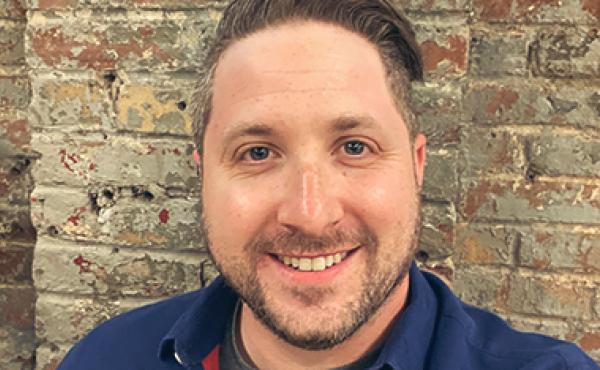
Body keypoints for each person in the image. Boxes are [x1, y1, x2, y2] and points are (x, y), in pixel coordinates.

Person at [58, 1, 598, 369]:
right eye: (258, 153)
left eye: (355, 148)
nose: (310, 214)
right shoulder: (105, 357)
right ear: (203, 177)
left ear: (416, 165)